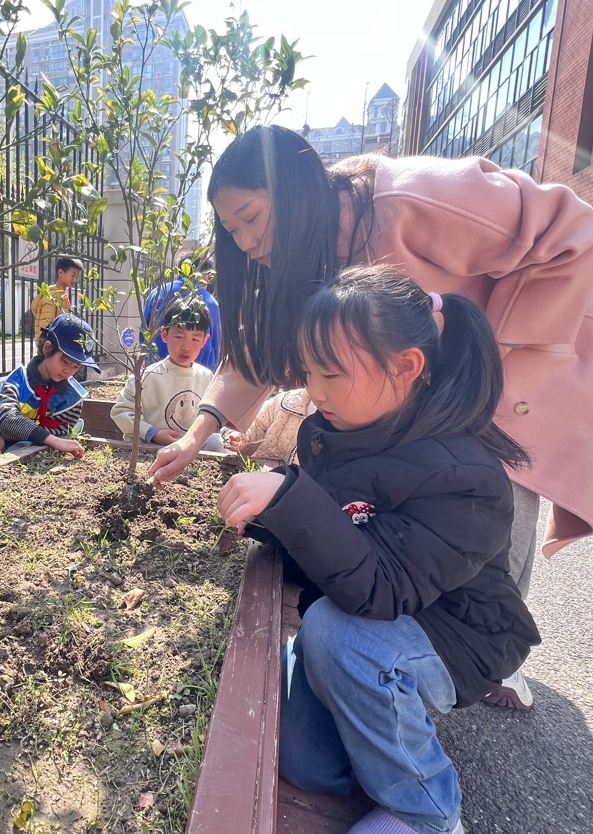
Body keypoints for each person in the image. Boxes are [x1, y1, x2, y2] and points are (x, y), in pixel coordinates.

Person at [148, 124, 593, 711]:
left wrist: (477, 367)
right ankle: (401, 634)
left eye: (250, 216)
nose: (244, 241)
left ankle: (490, 659)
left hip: (521, 347)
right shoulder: (295, 256)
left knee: (489, 480)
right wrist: (198, 434)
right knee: (404, 493)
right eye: (231, 229)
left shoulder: (410, 198)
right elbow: (257, 355)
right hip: (420, 380)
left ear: (294, 192)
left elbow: (569, 230)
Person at [217, 267, 539, 834]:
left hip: (457, 631)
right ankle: (371, 738)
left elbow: (380, 589)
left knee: (339, 637)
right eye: (309, 372)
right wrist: (271, 519)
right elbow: (336, 537)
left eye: (332, 374)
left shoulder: (464, 476)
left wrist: (292, 501)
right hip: (373, 606)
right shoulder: (336, 430)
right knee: (306, 763)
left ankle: (427, 810)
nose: (314, 392)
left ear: (406, 366)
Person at [111, 294, 222, 448]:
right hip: (152, 449)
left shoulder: (206, 376)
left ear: (204, 341)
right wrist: (153, 433)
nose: (186, 346)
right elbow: (121, 411)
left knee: (216, 442)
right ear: (164, 335)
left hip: (193, 453)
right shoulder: (147, 376)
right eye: (179, 336)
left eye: (195, 339)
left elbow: (215, 416)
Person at [0, 313, 97, 457]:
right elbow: (7, 419)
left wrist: (7, 438)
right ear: (47, 348)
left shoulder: (72, 396)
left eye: (76, 367)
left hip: (24, 448)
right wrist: (50, 440)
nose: (68, 371)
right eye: (66, 362)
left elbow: (62, 430)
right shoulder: (18, 381)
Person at [141, 263, 222, 370]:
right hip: (198, 375)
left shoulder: (157, 293)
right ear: (207, 275)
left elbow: (144, 334)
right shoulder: (209, 301)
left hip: (157, 370)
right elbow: (216, 344)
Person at [221, 388, 314, 465]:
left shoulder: (327, 423)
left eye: (328, 377)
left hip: (301, 485)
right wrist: (239, 434)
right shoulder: (290, 401)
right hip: (262, 474)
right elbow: (256, 421)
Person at [30, 257, 83, 342]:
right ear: (60, 272)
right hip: (51, 347)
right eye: (73, 275)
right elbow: (46, 327)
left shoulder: (62, 294)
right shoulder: (52, 295)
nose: (75, 279)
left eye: (77, 276)